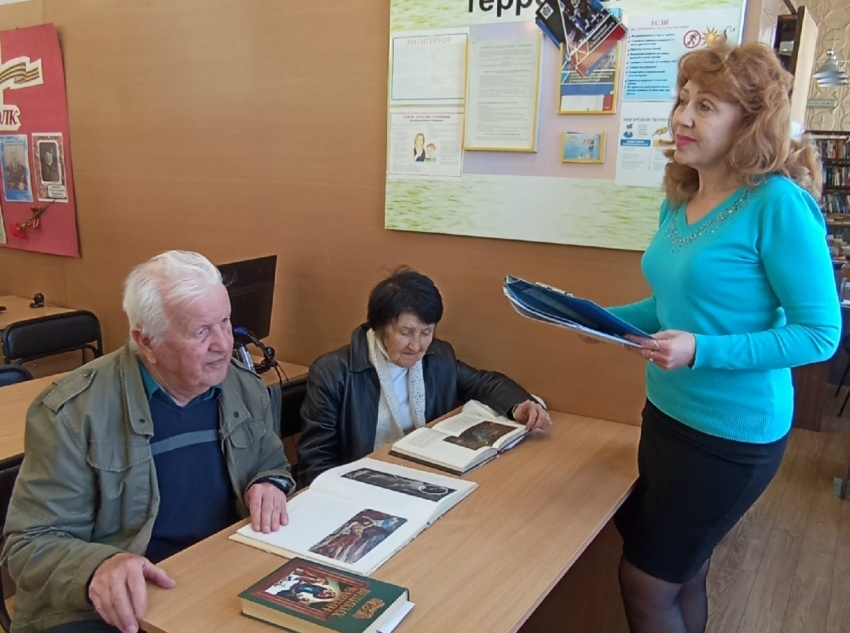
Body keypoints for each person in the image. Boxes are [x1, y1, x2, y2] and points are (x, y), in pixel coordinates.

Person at [600, 42, 841, 633]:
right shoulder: (682, 193)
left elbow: (820, 334)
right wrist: (602, 321)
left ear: (749, 123)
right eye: (683, 100)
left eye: (705, 106)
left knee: (646, 581)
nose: (682, 117)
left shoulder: (778, 204)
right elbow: (672, 307)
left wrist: (701, 350)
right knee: (685, 572)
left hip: (732, 437)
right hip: (667, 415)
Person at [1, 250, 295, 633]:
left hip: (211, 572)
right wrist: (98, 567)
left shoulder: (243, 385)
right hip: (108, 602)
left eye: (225, 322)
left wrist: (269, 482)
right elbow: (28, 544)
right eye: (201, 332)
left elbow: (271, 461)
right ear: (147, 342)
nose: (224, 344)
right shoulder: (72, 412)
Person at [298, 267, 551, 486]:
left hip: (427, 476)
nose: (416, 345)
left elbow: (484, 383)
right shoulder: (333, 372)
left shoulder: (437, 358)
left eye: (426, 332)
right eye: (405, 332)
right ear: (380, 327)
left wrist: (518, 406)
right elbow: (316, 462)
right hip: (361, 484)